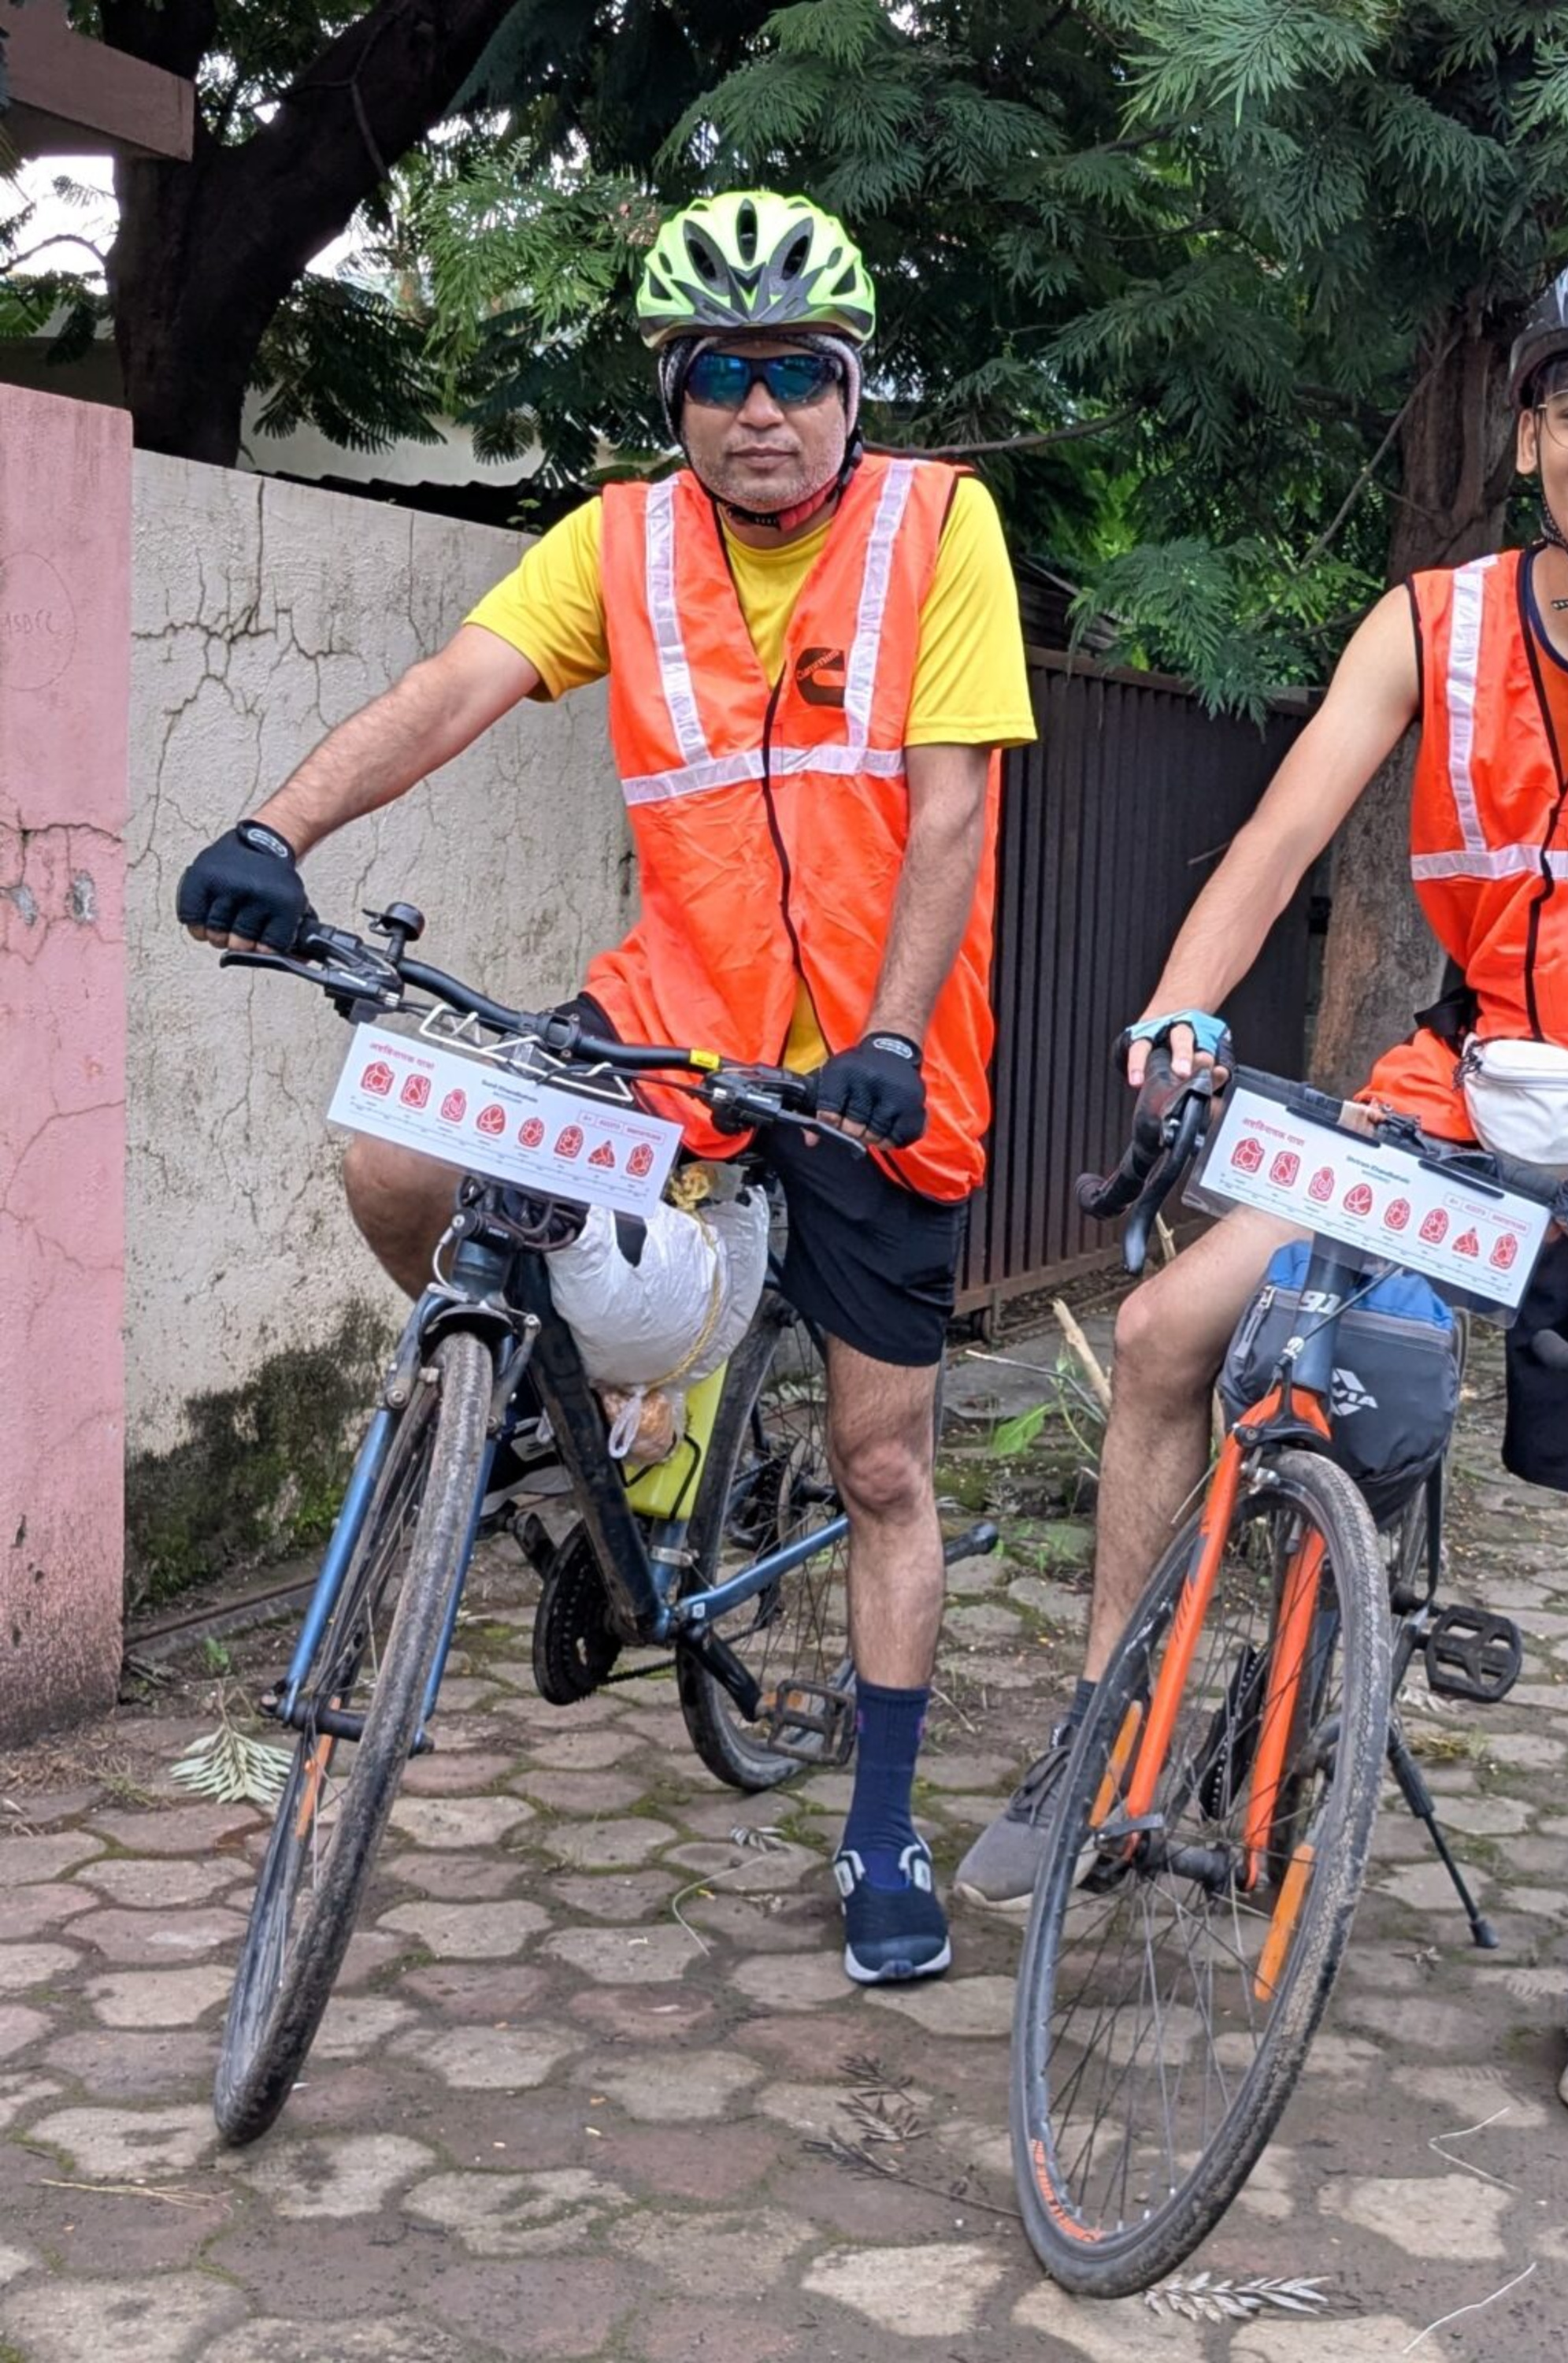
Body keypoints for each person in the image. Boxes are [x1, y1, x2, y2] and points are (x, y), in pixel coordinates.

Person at [956, 245, 1568, 2122]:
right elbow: (1278, 835)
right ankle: (1103, 1747)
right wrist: (1178, 1017)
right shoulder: (1429, 619)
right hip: (1462, 1079)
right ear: (1530, 435)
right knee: (1173, 1322)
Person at [176, 190, 1036, 1990]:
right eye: (719, 372)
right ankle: (562, 1417)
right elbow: (449, 690)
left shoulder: (938, 532)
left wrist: (886, 1036)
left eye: (796, 371)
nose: (760, 410)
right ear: (676, 392)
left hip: (881, 1072)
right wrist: (278, 825)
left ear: (853, 384)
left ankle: (879, 1832)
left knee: (882, 1464)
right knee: (404, 1149)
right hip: (668, 1027)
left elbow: (949, 805)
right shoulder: (622, 546)